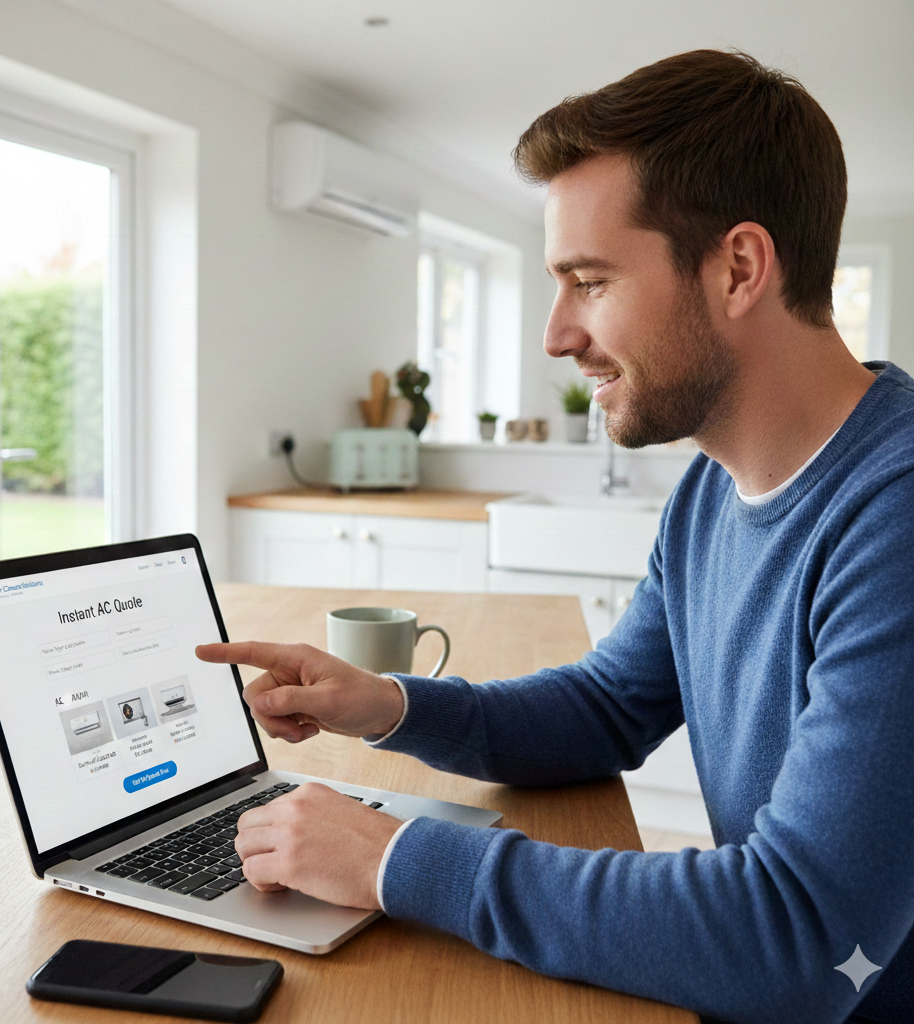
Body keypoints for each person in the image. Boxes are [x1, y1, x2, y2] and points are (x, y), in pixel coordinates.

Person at [197, 50, 913, 1024]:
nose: (556, 335)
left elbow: (795, 937)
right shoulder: (710, 492)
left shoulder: (894, 516)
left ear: (738, 268)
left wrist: (396, 858)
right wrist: (387, 703)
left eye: (589, 281)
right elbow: (606, 707)